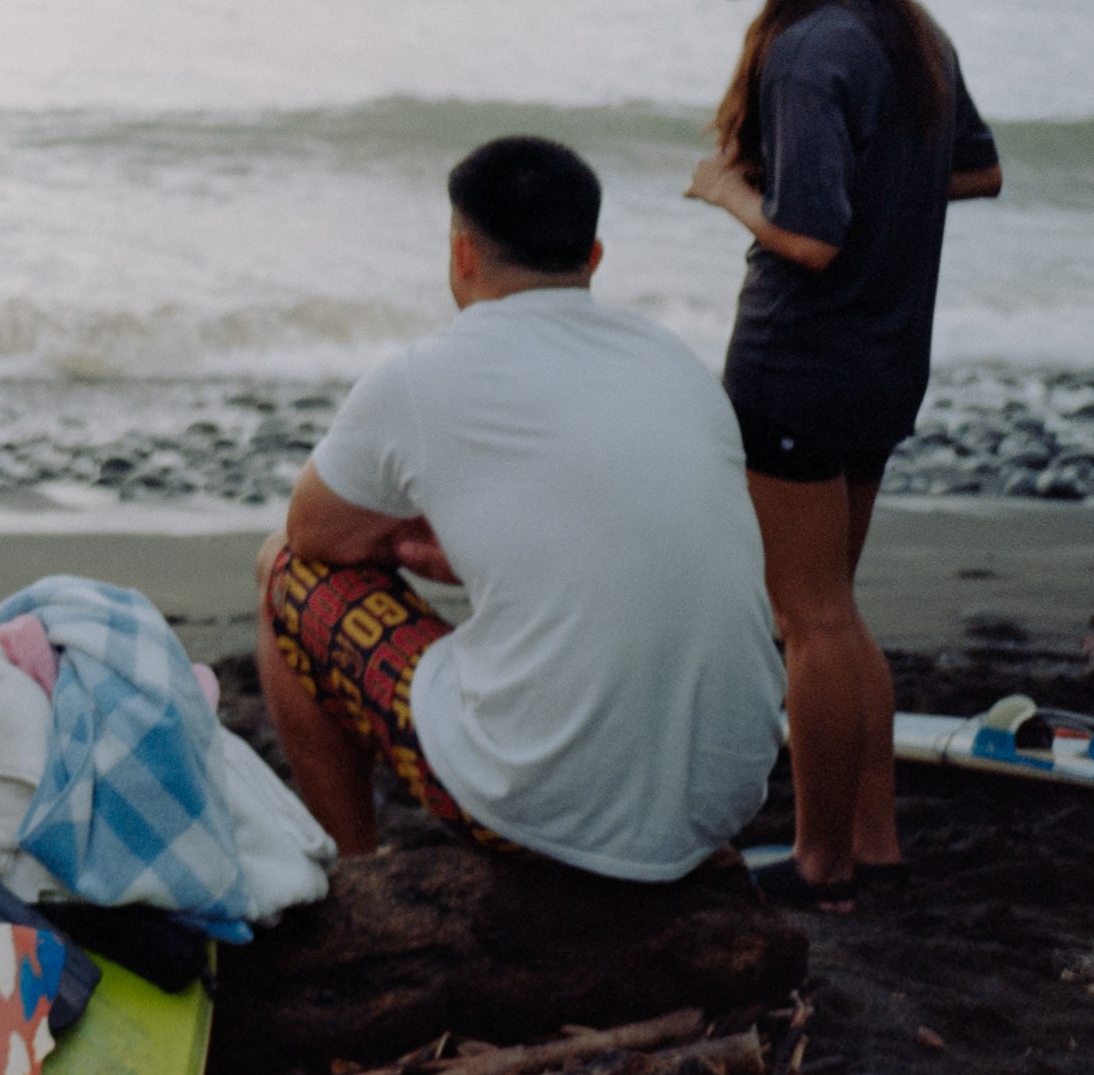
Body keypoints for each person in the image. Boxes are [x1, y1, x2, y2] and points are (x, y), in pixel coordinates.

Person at [254, 137, 784, 881]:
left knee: (283, 568)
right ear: (593, 258)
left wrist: (414, 542)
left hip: (536, 804)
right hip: (724, 797)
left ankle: (354, 870)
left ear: (462, 254)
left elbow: (313, 533)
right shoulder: (675, 362)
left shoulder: (421, 377)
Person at [683, 0, 1001, 910]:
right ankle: (872, 841)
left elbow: (810, 240)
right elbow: (977, 169)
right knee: (835, 607)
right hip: (884, 360)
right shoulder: (908, 27)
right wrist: (874, 194)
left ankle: (819, 860)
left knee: (806, 618)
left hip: (798, 364)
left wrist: (728, 190)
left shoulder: (808, 47)